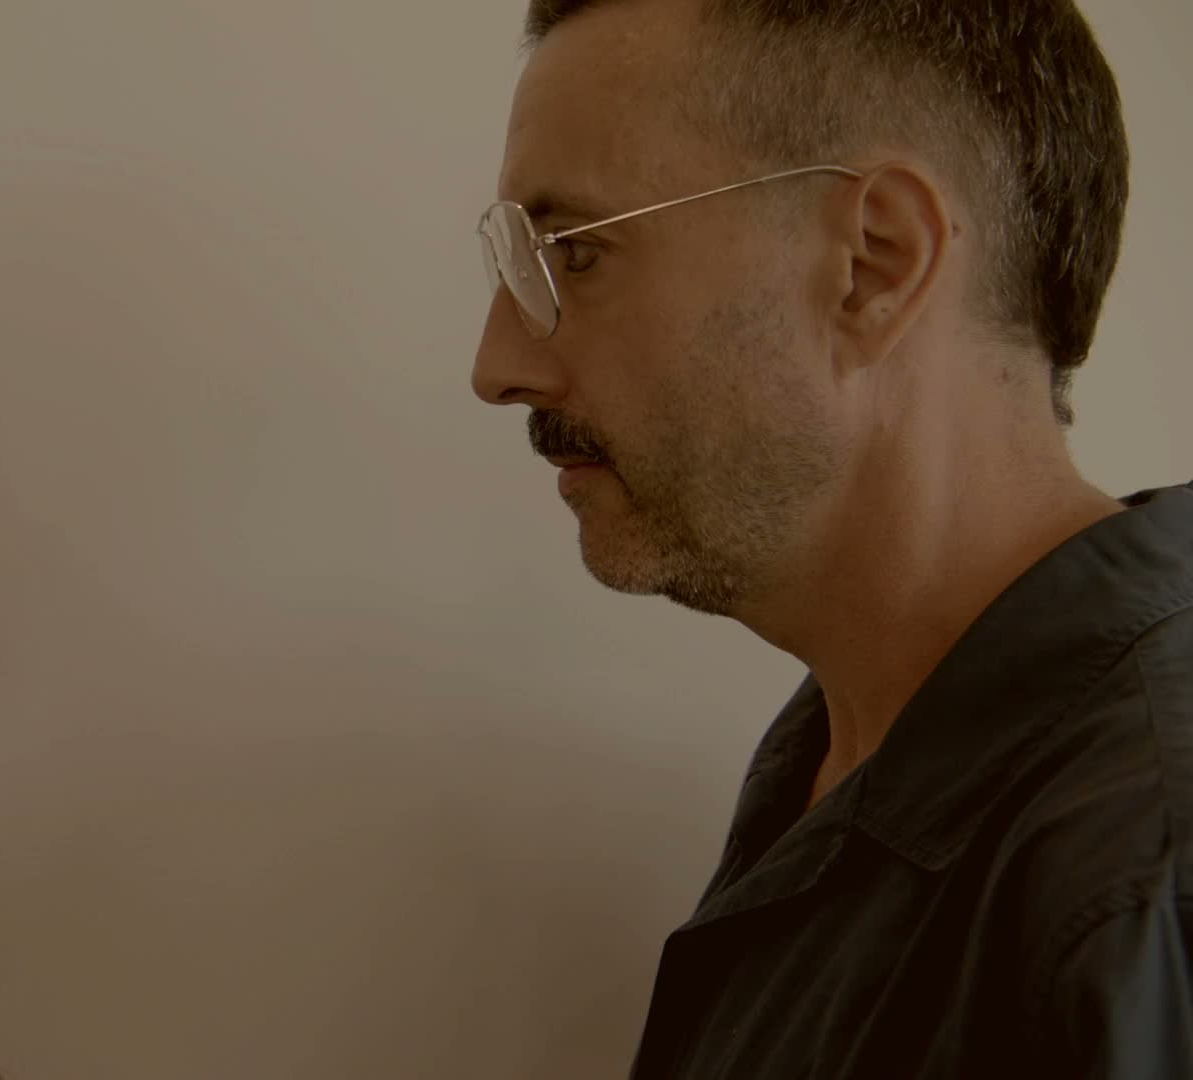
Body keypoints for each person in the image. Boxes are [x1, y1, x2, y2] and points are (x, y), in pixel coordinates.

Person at [470, 0, 1193, 1075]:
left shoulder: (1143, 873)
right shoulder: (841, 761)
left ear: (873, 264)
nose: (498, 367)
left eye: (575, 253)